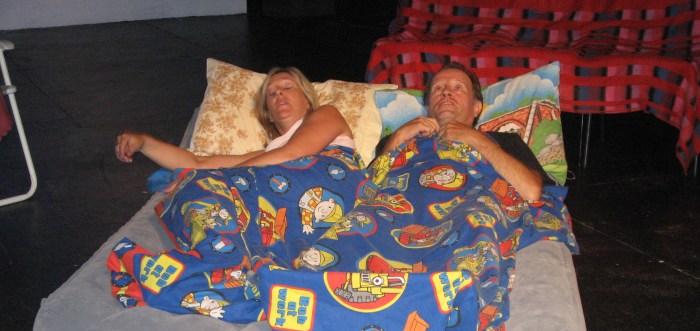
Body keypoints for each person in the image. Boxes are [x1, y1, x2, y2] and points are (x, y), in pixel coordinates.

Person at [115, 66, 354, 170]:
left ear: (308, 100)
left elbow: (292, 154)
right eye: (271, 94)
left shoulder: (327, 113)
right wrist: (143, 142)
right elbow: (198, 163)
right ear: (269, 116)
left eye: (287, 87)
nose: (279, 93)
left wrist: (219, 180)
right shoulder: (268, 154)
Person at [377, 62, 544, 201]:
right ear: (428, 108)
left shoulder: (506, 141)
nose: (446, 92)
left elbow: (531, 192)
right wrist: (399, 136)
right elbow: (369, 190)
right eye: (437, 89)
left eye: (457, 87)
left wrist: (475, 139)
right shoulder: (398, 139)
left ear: (476, 107)